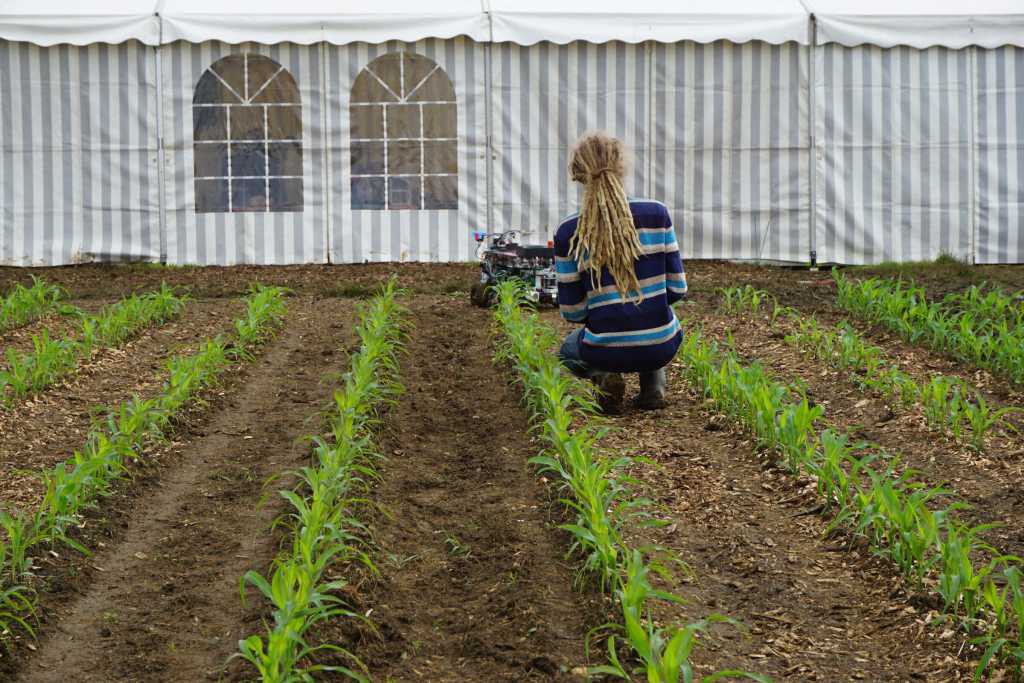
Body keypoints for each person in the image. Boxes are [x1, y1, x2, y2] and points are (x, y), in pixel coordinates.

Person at [555, 131, 687, 412]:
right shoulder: (657, 213)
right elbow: (677, 289)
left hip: (604, 348)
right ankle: (653, 388)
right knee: (653, 319)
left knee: (568, 351)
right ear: (621, 166)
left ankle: (604, 375)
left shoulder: (568, 231)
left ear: (578, 173)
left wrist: (611, 313)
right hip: (660, 344)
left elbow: (572, 312)